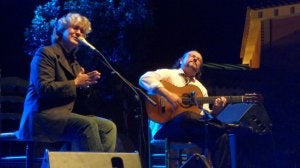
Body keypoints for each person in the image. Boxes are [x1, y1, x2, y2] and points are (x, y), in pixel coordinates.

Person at [17, 13, 117, 152]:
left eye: (82, 31)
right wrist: (75, 83)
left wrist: (85, 87)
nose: (79, 33)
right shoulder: (45, 53)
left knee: (108, 127)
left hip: (63, 116)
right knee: (86, 125)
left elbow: (75, 101)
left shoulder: (74, 63)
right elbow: (44, 89)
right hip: (42, 116)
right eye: (75, 28)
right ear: (61, 31)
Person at [139, 50, 229, 167]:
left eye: (199, 60)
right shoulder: (169, 74)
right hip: (165, 128)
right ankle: (223, 127)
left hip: (190, 130)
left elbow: (204, 117)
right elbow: (144, 78)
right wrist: (167, 94)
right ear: (181, 60)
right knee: (188, 115)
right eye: (192, 56)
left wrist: (215, 112)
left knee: (223, 137)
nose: (195, 59)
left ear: (199, 69)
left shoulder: (201, 89)